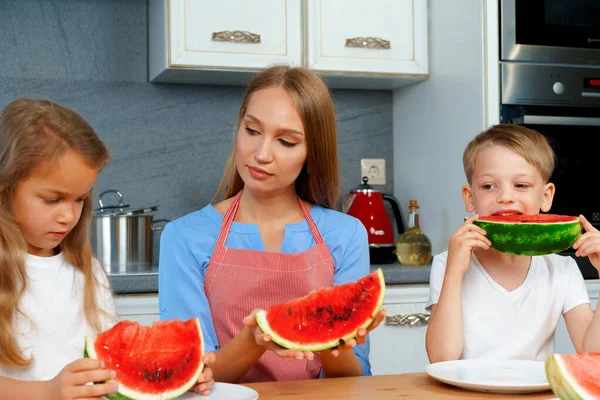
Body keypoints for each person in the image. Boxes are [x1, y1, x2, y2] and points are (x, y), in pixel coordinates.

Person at [158, 65, 386, 384]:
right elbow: (192, 375)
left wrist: (337, 339)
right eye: (252, 131)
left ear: (311, 152)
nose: (262, 154)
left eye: (286, 142)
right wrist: (254, 341)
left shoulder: (346, 234)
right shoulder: (184, 237)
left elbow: (354, 376)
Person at [0, 97, 215, 400]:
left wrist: (172, 373)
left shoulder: (88, 271)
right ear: (5, 187)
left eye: (79, 200)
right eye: (52, 199)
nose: (68, 216)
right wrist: (45, 392)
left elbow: (114, 367)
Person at [425, 124, 600, 363]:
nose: (505, 196)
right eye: (488, 186)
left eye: (521, 185)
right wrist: (454, 273)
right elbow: (441, 358)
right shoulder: (448, 264)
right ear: (469, 197)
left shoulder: (562, 270)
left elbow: (592, 353)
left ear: (546, 196)